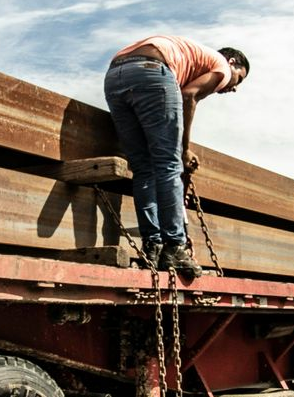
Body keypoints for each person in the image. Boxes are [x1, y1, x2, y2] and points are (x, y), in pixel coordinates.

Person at [103, 36, 249, 278]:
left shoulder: (194, 57)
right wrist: (184, 149)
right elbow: (189, 95)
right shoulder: (221, 67)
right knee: (169, 165)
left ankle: (152, 245)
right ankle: (175, 247)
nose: (233, 87)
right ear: (231, 61)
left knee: (143, 168)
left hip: (115, 76)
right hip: (152, 70)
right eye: (239, 79)